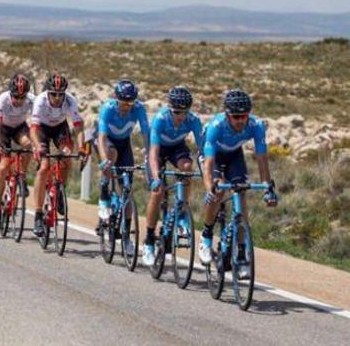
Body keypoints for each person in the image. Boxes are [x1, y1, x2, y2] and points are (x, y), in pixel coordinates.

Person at [199, 89, 277, 269]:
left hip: (234, 154)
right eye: (236, 117)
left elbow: (262, 159)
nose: (241, 120)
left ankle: (241, 251)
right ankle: (206, 236)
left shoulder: (256, 126)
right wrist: (209, 188)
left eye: (244, 116)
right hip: (213, 156)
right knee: (218, 190)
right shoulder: (215, 127)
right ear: (227, 115)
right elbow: (209, 164)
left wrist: (268, 189)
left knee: (240, 193)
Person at [142, 86, 204, 266]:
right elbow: (153, 153)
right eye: (177, 112)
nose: (181, 116)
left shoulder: (193, 120)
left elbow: (203, 150)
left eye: (185, 112)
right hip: (158, 149)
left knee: (187, 167)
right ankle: (149, 239)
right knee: (157, 191)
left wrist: (206, 170)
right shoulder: (160, 119)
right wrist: (155, 178)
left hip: (177, 147)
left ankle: (182, 210)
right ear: (170, 109)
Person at [94, 79, 150, 257]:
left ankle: (126, 237)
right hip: (106, 141)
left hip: (124, 143)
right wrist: (104, 160)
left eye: (130, 102)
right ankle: (104, 191)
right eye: (124, 102)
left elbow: (147, 134)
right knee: (111, 156)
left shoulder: (139, 109)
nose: (127, 106)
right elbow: (102, 137)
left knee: (127, 189)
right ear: (116, 98)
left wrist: (150, 157)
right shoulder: (108, 108)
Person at [29, 74, 84, 237]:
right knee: (44, 167)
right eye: (53, 94)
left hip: (60, 128)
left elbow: (79, 126)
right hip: (42, 130)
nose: (57, 98)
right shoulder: (40, 101)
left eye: (61, 94)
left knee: (66, 156)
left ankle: (60, 189)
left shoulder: (69, 100)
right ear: (48, 92)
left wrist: (82, 148)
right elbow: (33, 129)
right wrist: (38, 147)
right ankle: (38, 215)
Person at [0, 74, 34, 229]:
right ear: (11, 93)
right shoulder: (2, 99)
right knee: (2, 167)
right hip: (3, 130)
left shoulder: (31, 100)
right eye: (16, 97)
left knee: (28, 144)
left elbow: (35, 124)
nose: (19, 100)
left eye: (22, 97)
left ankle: (22, 174)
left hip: (20, 128)